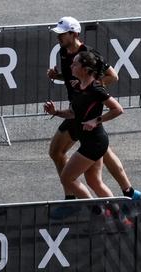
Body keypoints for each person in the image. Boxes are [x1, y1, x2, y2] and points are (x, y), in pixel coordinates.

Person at [46, 17, 141, 199]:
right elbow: (71, 78)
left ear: (74, 34)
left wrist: (91, 90)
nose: (58, 37)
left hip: (83, 112)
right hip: (76, 110)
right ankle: (126, 193)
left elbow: (113, 77)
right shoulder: (64, 51)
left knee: (67, 152)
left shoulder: (89, 55)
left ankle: (75, 199)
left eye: (62, 34)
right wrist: (57, 76)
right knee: (98, 156)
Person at [43, 49, 124, 198]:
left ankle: (96, 211)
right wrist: (56, 112)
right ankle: (118, 217)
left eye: (75, 64)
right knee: (94, 182)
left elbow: (118, 109)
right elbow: (73, 114)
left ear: (85, 70)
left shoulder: (96, 88)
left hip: (95, 143)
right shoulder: (78, 87)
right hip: (88, 140)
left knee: (67, 178)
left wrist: (96, 120)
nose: (71, 66)